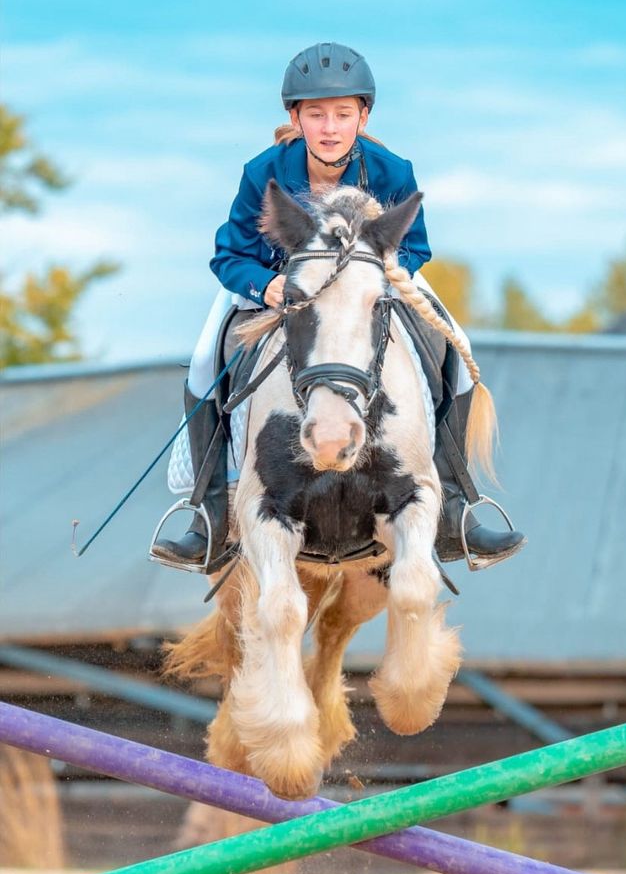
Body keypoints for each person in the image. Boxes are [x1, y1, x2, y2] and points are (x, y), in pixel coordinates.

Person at [151, 42, 524, 573]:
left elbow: (416, 245)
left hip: (372, 285)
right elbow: (229, 254)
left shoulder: (394, 171)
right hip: (279, 290)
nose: (330, 127)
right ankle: (207, 518)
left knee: (453, 350)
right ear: (295, 118)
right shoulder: (264, 172)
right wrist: (268, 286)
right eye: (317, 115)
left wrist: (373, 269)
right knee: (206, 359)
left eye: (343, 114)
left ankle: (456, 510)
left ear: (363, 116)